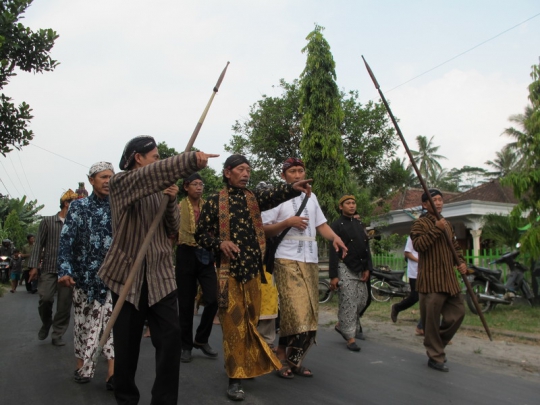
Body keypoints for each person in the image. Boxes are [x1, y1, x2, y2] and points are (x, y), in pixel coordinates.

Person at [97, 135, 217, 405]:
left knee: (170, 342)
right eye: (155, 156)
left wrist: (172, 200)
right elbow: (152, 175)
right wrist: (188, 161)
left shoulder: (161, 189)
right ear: (138, 158)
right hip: (126, 278)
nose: (159, 161)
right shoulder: (121, 183)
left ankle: (164, 401)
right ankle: (126, 398)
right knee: (126, 348)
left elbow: (172, 228)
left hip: (160, 277)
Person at [195, 154, 313, 401]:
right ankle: (234, 379)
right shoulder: (215, 201)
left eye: (248, 169)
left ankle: (245, 364)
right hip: (230, 275)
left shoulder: (253, 198)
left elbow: (274, 195)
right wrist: (220, 243)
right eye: (240, 169)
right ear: (228, 172)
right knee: (234, 326)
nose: (246, 173)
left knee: (251, 323)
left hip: (253, 274)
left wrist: (293, 187)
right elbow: (200, 236)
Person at [261, 157, 347, 378]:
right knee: (296, 313)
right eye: (292, 171)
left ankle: (292, 358)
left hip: (310, 261)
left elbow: (321, 225)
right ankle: (281, 355)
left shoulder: (312, 197)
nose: (298, 175)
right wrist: (286, 223)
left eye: (300, 170)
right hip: (286, 259)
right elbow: (263, 228)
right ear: (283, 176)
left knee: (309, 315)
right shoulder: (277, 198)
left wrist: (335, 238)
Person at [57, 162, 116, 389]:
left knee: (110, 322)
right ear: (91, 180)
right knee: (83, 323)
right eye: (103, 177)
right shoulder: (78, 207)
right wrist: (65, 270)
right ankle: (82, 365)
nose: (107, 181)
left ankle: (113, 370)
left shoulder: (118, 207)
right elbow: (66, 241)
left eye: (111, 177)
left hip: (111, 277)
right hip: (83, 278)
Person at [411, 188, 467, 372]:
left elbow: (455, 248)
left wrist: (461, 263)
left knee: (458, 313)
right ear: (425, 205)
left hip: (449, 279)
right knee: (431, 322)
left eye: (441, 199)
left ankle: (434, 342)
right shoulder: (420, 224)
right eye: (434, 200)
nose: (439, 202)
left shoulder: (447, 224)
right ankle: (435, 356)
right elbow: (419, 246)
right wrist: (436, 229)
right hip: (431, 281)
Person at [176, 173, 218, 364]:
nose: (199, 187)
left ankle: (201, 339)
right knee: (185, 303)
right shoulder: (178, 207)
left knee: (213, 299)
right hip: (185, 253)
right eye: (195, 184)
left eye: (201, 184)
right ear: (186, 187)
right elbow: (171, 231)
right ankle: (185, 346)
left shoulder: (208, 206)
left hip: (205, 253)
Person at [28, 189, 79, 346]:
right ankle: (46, 322)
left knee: (64, 305)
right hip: (49, 267)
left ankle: (57, 333)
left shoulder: (77, 223)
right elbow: (38, 245)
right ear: (66, 204)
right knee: (45, 298)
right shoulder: (48, 221)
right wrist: (34, 266)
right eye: (75, 204)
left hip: (69, 270)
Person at [329, 195, 373, 352]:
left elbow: (366, 248)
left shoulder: (360, 224)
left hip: (360, 268)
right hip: (344, 267)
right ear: (341, 207)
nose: (351, 205)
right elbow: (333, 251)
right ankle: (350, 338)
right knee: (349, 301)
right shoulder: (336, 225)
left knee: (362, 300)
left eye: (353, 203)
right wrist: (333, 275)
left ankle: (342, 324)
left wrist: (368, 268)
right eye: (348, 203)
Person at [390, 235, 424, 335]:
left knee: (428, 299)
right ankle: (397, 307)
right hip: (415, 272)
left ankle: (422, 327)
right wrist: (419, 261)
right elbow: (407, 253)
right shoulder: (413, 236)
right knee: (415, 296)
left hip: (427, 273)